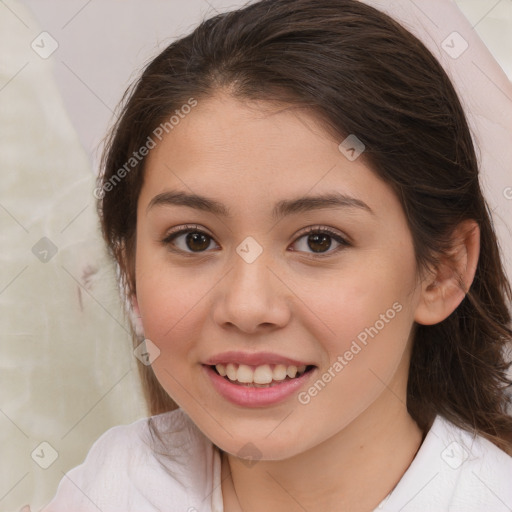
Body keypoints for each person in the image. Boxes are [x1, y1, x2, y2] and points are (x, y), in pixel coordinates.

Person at [38, 0, 512, 510]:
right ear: (129, 268)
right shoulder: (111, 488)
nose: (246, 307)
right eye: (194, 239)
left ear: (442, 272)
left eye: (319, 241)